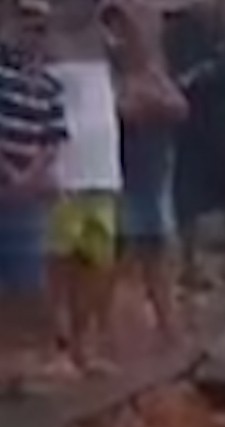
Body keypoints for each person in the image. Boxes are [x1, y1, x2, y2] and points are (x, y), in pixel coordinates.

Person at [103, 0, 183, 345]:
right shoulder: (105, 71)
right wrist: (150, 104)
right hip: (122, 173)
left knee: (155, 249)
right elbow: (126, 111)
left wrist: (149, 101)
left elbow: (178, 107)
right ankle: (118, 332)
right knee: (120, 255)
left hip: (152, 173)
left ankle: (167, 326)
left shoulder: (150, 70)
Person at [45, 3, 119, 373]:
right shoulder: (42, 34)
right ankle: (58, 347)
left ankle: (83, 345)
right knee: (59, 258)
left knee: (98, 260)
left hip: (102, 168)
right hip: (61, 168)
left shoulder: (108, 35)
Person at [164, 0, 225, 289]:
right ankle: (189, 265)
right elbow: (181, 79)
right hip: (191, 126)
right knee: (188, 196)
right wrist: (213, 73)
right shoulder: (179, 32)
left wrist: (214, 73)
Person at [0, 0, 65, 390]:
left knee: (26, 283)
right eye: (26, 20)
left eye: (40, 25)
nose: (33, 31)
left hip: (26, 196)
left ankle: (16, 370)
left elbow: (52, 142)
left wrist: (27, 178)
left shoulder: (50, 87)